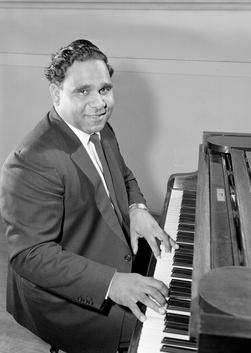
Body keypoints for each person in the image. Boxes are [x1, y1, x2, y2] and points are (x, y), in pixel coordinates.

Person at [0, 39, 178, 353]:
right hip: (62, 299)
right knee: (163, 327)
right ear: (56, 93)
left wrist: (137, 207)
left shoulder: (102, 130)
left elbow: (124, 174)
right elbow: (30, 255)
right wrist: (112, 283)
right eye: (83, 91)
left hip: (109, 254)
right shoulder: (30, 160)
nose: (99, 103)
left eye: (104, 89)